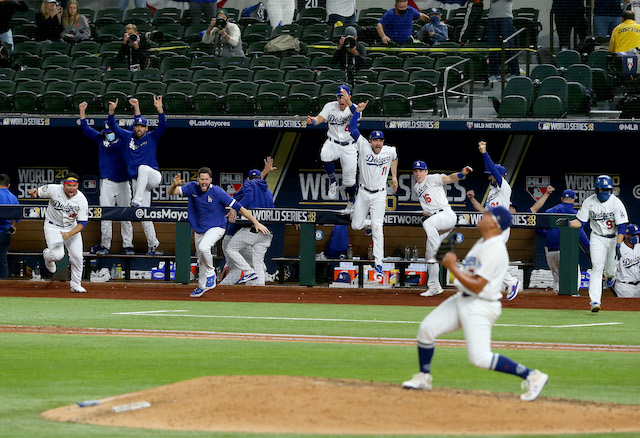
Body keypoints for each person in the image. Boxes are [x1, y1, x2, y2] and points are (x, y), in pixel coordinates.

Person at [402, 205, 549, 402]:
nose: (483, 214)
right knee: (426, 329)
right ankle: (423, 378)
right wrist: (454, 264)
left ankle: (533, 376)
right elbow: (471, 275)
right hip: (463, 298)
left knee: (480, 358)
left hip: (481, 305)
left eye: (488, 214)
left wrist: (452, 266)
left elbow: (479, 286)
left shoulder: (495, 249)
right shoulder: (483, 241)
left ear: (495, 224)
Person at [168, 167, 269, 297]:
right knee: (202, 258)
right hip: (199, 229)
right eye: (201, 179)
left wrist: (255, 222)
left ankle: (211, 274)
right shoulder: (192, 187)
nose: (204, 182)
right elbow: (172, 192)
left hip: (217, 227)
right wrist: (174, 185)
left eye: (206, 179)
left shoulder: (217, 191)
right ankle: (202, 285)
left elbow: (239, 207)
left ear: (210, 180)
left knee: (204, 247)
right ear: (198, 179)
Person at [557, 175, 629, 312]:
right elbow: (581, 222)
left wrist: (619, 244)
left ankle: (610, 276)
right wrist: (568, 223)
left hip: (613, 237)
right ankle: (595, 301)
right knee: (596, 268)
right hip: (597, 237)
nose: (605, 192)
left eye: (607, 189)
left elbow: (621, 228)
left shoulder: (616, 203)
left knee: (609, 270)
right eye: (602, 190)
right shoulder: (589, 202)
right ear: (597, 190)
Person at [348, 99, 398, 281]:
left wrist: (394, 176)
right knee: (355, 225)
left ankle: (379, 264)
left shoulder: (388, 150)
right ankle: (367, 224)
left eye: (380, 140)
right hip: (363, 192)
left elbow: (395, 157)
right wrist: (357, 112)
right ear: (370, 141)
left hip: (379, 194)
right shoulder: (363, 145)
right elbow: (352, 129)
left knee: (379, 228)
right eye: (375, 140)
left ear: (383, 141)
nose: (378, 143)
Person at [107, 96, 165, 255]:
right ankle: (153, 244)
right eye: (137, 126)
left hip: (153, 176)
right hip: (138, 182)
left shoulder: (151, 137)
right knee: (144, 215)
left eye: (142, 127)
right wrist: (111, 112)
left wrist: (159, 110)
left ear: (146, 128)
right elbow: (113, 126)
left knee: (143, 168)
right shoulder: (128, 137)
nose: (139, 129)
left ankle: (137, 200)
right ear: (134, 128)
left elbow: (163, 125)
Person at [79, 101, 135, 256]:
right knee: (105, 214)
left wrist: (118, 111)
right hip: (107, 182)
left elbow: (135, 127)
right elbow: (86, 129)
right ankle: (105, 245)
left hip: (123, 181)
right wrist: (82, 111)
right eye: (106, 131)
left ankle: (128, 245)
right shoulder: (101, 139)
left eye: (110, 131)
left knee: (126, 215)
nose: (108, 134)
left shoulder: (124, 138)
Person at [466, 141, 520, 300]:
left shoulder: (504, 187)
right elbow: (484, 211)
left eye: (491, 174)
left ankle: (509, 282)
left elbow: (495, 172)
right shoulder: (492, 192)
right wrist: (473, 200)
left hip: (501, 229)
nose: (489, 176)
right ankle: (507, 283)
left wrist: (484, 153)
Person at [412, 160, 473, 297]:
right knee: (429, 255)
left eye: (421, 170)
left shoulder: (432, 178)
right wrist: (426, 211)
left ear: (426, 171)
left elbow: (449, 178)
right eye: (416, 171)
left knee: (428, 225)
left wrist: (461, 174)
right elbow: (428, 206)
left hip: (446, 215)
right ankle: (434, 286)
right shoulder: (416, 187)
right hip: (437, 220)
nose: (418, 173)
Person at [28, 173, 89, 293]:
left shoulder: (81, 200)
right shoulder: (54, 189)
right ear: (63, 185)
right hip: (53, 227)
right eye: (69, 185)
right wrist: (34, 192)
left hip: (72, 228)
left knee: (77, 257)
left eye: (74, 185)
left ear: (77, 185)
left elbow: (83, 223)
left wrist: (69, 234)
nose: (71, 188)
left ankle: (76, 285)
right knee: (57, 256)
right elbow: (38, 192)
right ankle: (47, 256)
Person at [223, 162, 276, 286]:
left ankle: (248, 273)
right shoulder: (268, 192)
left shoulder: (249, 184)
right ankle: (259, 290)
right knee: (258, 264)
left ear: (248, 179)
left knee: (231, 249)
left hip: (251, 231)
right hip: (266, 232)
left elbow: (248, 197)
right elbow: (274, 212)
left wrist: (234, 208)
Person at [307, 85, 358, 213]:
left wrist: (349, 101)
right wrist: (312, 121)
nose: (341, 99)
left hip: (349, 146)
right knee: (324, 154)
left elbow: (357, 113)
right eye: (339, 96)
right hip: (333, 142)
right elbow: (319, 118)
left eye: (344, 97)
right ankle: (333, 181)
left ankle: (352, 201)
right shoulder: (330, 106)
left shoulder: (355, 108)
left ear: (349, 97)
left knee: (349, 182)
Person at [536, 189, 590, 293]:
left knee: (557, 280)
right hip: (566, 251)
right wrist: (589, 248)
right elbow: (581, 236)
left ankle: (557, 305)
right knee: (574, 281)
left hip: (550, 250)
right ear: (573, 200)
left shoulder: (550, 211)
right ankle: (570, 302)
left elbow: (538, 228)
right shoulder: (575, 214)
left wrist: (551, 234)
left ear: (561, 199)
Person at [486, 0, 520, 82]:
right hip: (492, 18)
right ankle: (495, 73)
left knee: (508, 45)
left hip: (505, 17)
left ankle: (515, 72)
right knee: (493, 47)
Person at [611, 223, 640, 298]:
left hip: (639, 285)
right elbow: (612, 265)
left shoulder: (638, 247)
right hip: (624, 286)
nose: (636, 237)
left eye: (637, 235)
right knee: (627, 308)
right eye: (633, 235)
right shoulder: (619, 248)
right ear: (626, 235)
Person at [0, 174, 19, 279]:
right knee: (2, 258)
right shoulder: (13, 197)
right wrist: (13, 226)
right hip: (7, 231)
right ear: (9, 185)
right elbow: (16, 217)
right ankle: (3, 284)